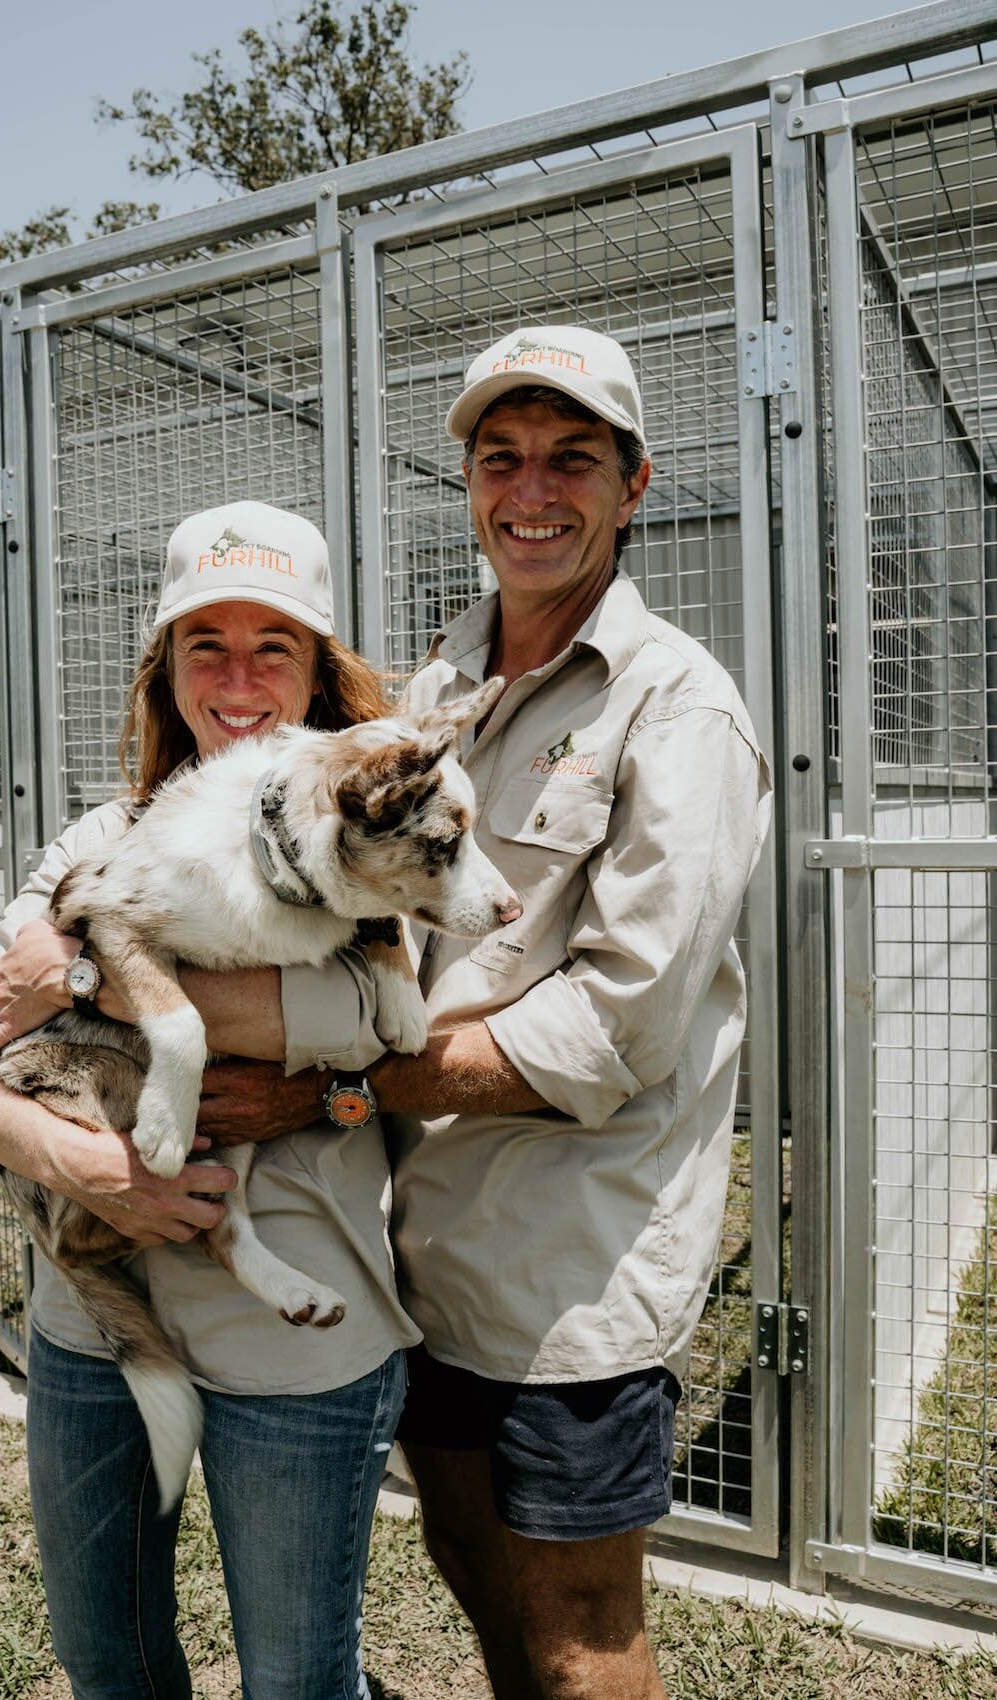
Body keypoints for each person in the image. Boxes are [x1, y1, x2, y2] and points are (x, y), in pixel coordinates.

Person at [193, 325, 773, 1700]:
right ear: (464, 483)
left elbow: (615, 1031)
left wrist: (323, 1088)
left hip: (566, 1267)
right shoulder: (433, 689)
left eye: (571, 458)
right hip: (414, 1247)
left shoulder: (676, 709)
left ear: (633, 486)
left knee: (577, 1620)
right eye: (499, 457)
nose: (531, 490)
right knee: (462, 1549)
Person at [0, 499, 419, 1700]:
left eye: (274, 647)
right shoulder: (112, 829)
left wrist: (94, 971)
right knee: (110, 1663)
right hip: (93, 1322)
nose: (238, 679)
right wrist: (86, 1167)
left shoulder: (373, 845)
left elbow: (397, 1039)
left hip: (301, 1342)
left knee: (299, 1679)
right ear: (167, 672)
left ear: (320, 675)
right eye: (207, 645)